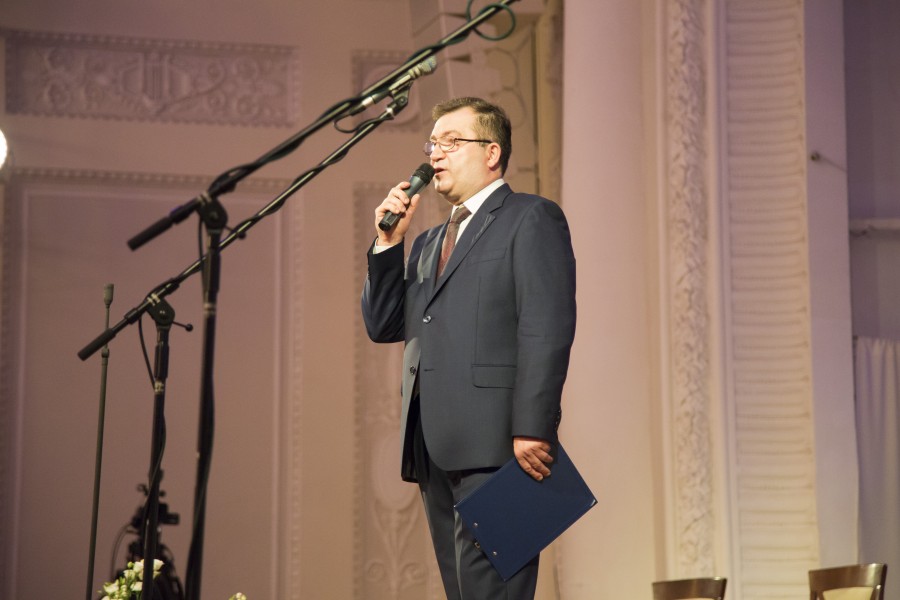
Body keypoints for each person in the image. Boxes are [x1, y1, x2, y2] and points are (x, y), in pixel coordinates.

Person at [361, 96, 576, 600]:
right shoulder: (428, 242)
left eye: (451, 142)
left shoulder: (530, 217)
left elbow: (546, 326)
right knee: (461, 591)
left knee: (493, 592)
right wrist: (388, 243)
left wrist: (533, 426)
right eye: (432, 144)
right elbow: (384, 324)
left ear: (491, 152)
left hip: (501, 445)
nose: (436, 154)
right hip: (433, 445)